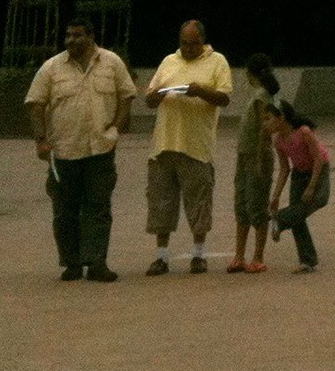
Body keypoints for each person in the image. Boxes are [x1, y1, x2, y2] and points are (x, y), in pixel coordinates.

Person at [24, 18, 136, 283]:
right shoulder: (51, 68)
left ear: (91, 37)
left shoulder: (111, 63)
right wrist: (41, 139)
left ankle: (97, 263)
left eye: (77, 35)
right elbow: (35, 104)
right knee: (65, 210)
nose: (71, 41)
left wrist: (115, 130)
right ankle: (72, 263)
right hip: (64, 152)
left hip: (100, 149)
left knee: (98, 208)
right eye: (67, 36)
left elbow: (127, 95)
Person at [142, 18, 233, 275]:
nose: (188, 49)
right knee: (161, 202)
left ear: (202, 41)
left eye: (193, 44)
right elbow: (149, 98)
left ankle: (199, 255)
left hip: (196, 146)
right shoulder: (169, 61)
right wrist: (155, 96)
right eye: (184, 43)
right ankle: (161, 257)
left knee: (199, 202)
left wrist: (201, 91)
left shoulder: (217, 62)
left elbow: (224, 98)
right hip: (164, 145)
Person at [266, 101, 331, 272]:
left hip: (319, 169)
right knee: (297, 216)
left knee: (320, 199)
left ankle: (280, 219)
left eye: (268, 119)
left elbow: (318, 158)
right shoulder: (278, 140)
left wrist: (311, 187)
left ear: (281, 119)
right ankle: (307, 261)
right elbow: (284, 169)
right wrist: (276, 196)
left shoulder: (304, 132)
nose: (265, 124)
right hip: (299, 173)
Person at [230, 54, 278, 273]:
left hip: (256, 156)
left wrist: (260, 159)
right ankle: (240, 255)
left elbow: (263, 131)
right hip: (246, 154)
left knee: (255, 205)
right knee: (242, 204)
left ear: (251, 73)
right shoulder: (258, 95)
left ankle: (257, 256)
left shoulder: (261, 96)